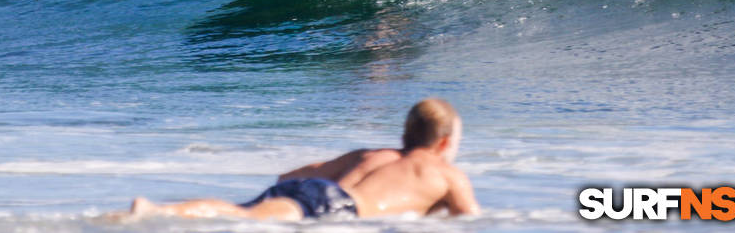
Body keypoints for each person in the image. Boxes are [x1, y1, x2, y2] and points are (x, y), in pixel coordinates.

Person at [111, 98, 479, 221]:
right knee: (242, 216)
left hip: (309, 188)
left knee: (238, 209)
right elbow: (471, 218)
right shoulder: (446, 174)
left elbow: (297, 172)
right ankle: (156, 210)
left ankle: (166, 210)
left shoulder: (374, 154)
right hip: (336, 206)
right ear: (445, 143)